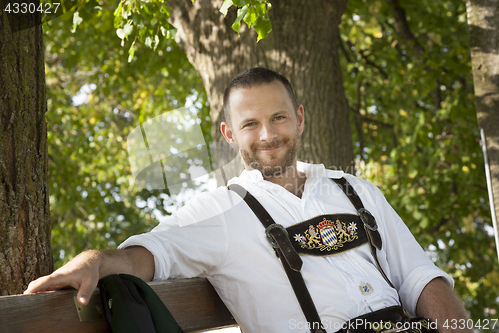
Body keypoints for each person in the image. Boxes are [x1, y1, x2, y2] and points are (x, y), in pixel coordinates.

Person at [25, 68, 471, 332]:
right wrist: (93, 260)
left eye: (278, 118)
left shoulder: (355, 190)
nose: (267, 136)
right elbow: (151, 253)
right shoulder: (219, 213)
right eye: (251, 124)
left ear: (299, 119)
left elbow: (420, 278)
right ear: (229, 134)